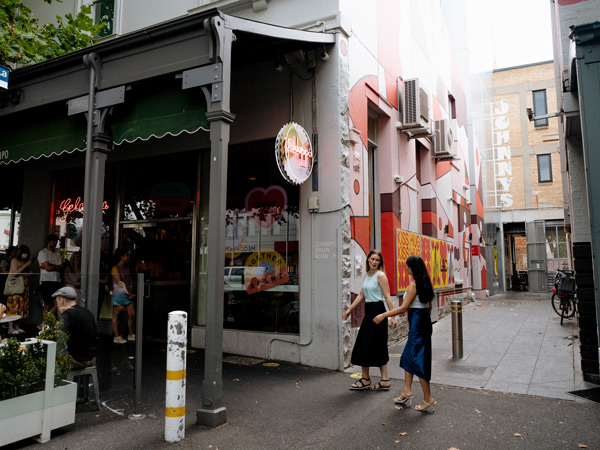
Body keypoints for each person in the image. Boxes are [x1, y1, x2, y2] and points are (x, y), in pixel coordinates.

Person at [373, 255, 436, 412]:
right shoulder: (425, 284)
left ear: (412, 268)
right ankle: (406, 392)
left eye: (407, 266)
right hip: (423, 325)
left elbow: (403, 308)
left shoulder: (413, 286)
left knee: (418, 360)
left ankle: (428, 399)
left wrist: (383, 315)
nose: (405, 268)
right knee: (408, 357)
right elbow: (429, 308)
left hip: (417, 327)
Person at [342, 249, 397, 391]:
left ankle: (385, 380)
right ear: (368, 260)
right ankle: (366, 378)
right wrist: (349, 309)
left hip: (378, 311)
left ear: (380, 262)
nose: (374, 262)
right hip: (369, 312)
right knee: (362, 344)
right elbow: (361, 295)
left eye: (377, 260)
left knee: (377, 345)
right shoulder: (368, 275)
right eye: (372, 259)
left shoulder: (381, 276)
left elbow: (387, 297)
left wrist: (392, 316)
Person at [53, 286, 98, 369]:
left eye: (57, 302)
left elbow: (58, 337)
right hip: (91, 358)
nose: (57, 306)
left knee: (46, 357)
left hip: (77, 360)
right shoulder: (86, 311)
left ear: (62, 300)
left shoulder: (67, 314)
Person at [6, 244, 34, 335]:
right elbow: (15, 273)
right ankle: (10, 328)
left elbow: (31, 274)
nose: (25, 255)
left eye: (26, 253)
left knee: (21, 307)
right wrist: (25, 266)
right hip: (15, 287)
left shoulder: (26, 262)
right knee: (13, 306)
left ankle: (17, 326)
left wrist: (23, 272)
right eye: (23, 253)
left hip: (24, 288)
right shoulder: (15, 260)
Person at [111, 248, 136, 344]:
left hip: (126, 293)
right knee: (116, 314)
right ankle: (116, 336)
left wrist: (130, 287)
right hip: (118, 293)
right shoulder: (115, 268)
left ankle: (130, 333)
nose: (128, 257)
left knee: (132, 314)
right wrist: (129, 293)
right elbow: (119, 282)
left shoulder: (126, 268)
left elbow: (129, 279)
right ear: (121, 256)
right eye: (126, 255)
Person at [38, 234, 64, 319]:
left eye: (56, 241)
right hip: (46, 281)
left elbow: (61, 267)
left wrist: (50, 265)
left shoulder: (57, 253)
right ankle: (45, 324)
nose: (55, 243)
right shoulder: (43, 252)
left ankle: (45, 322)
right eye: (53, 241)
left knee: (57, 303)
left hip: (56, 280)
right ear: (48, 242)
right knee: (47, 304)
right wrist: (56, 266)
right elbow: (48, 268)